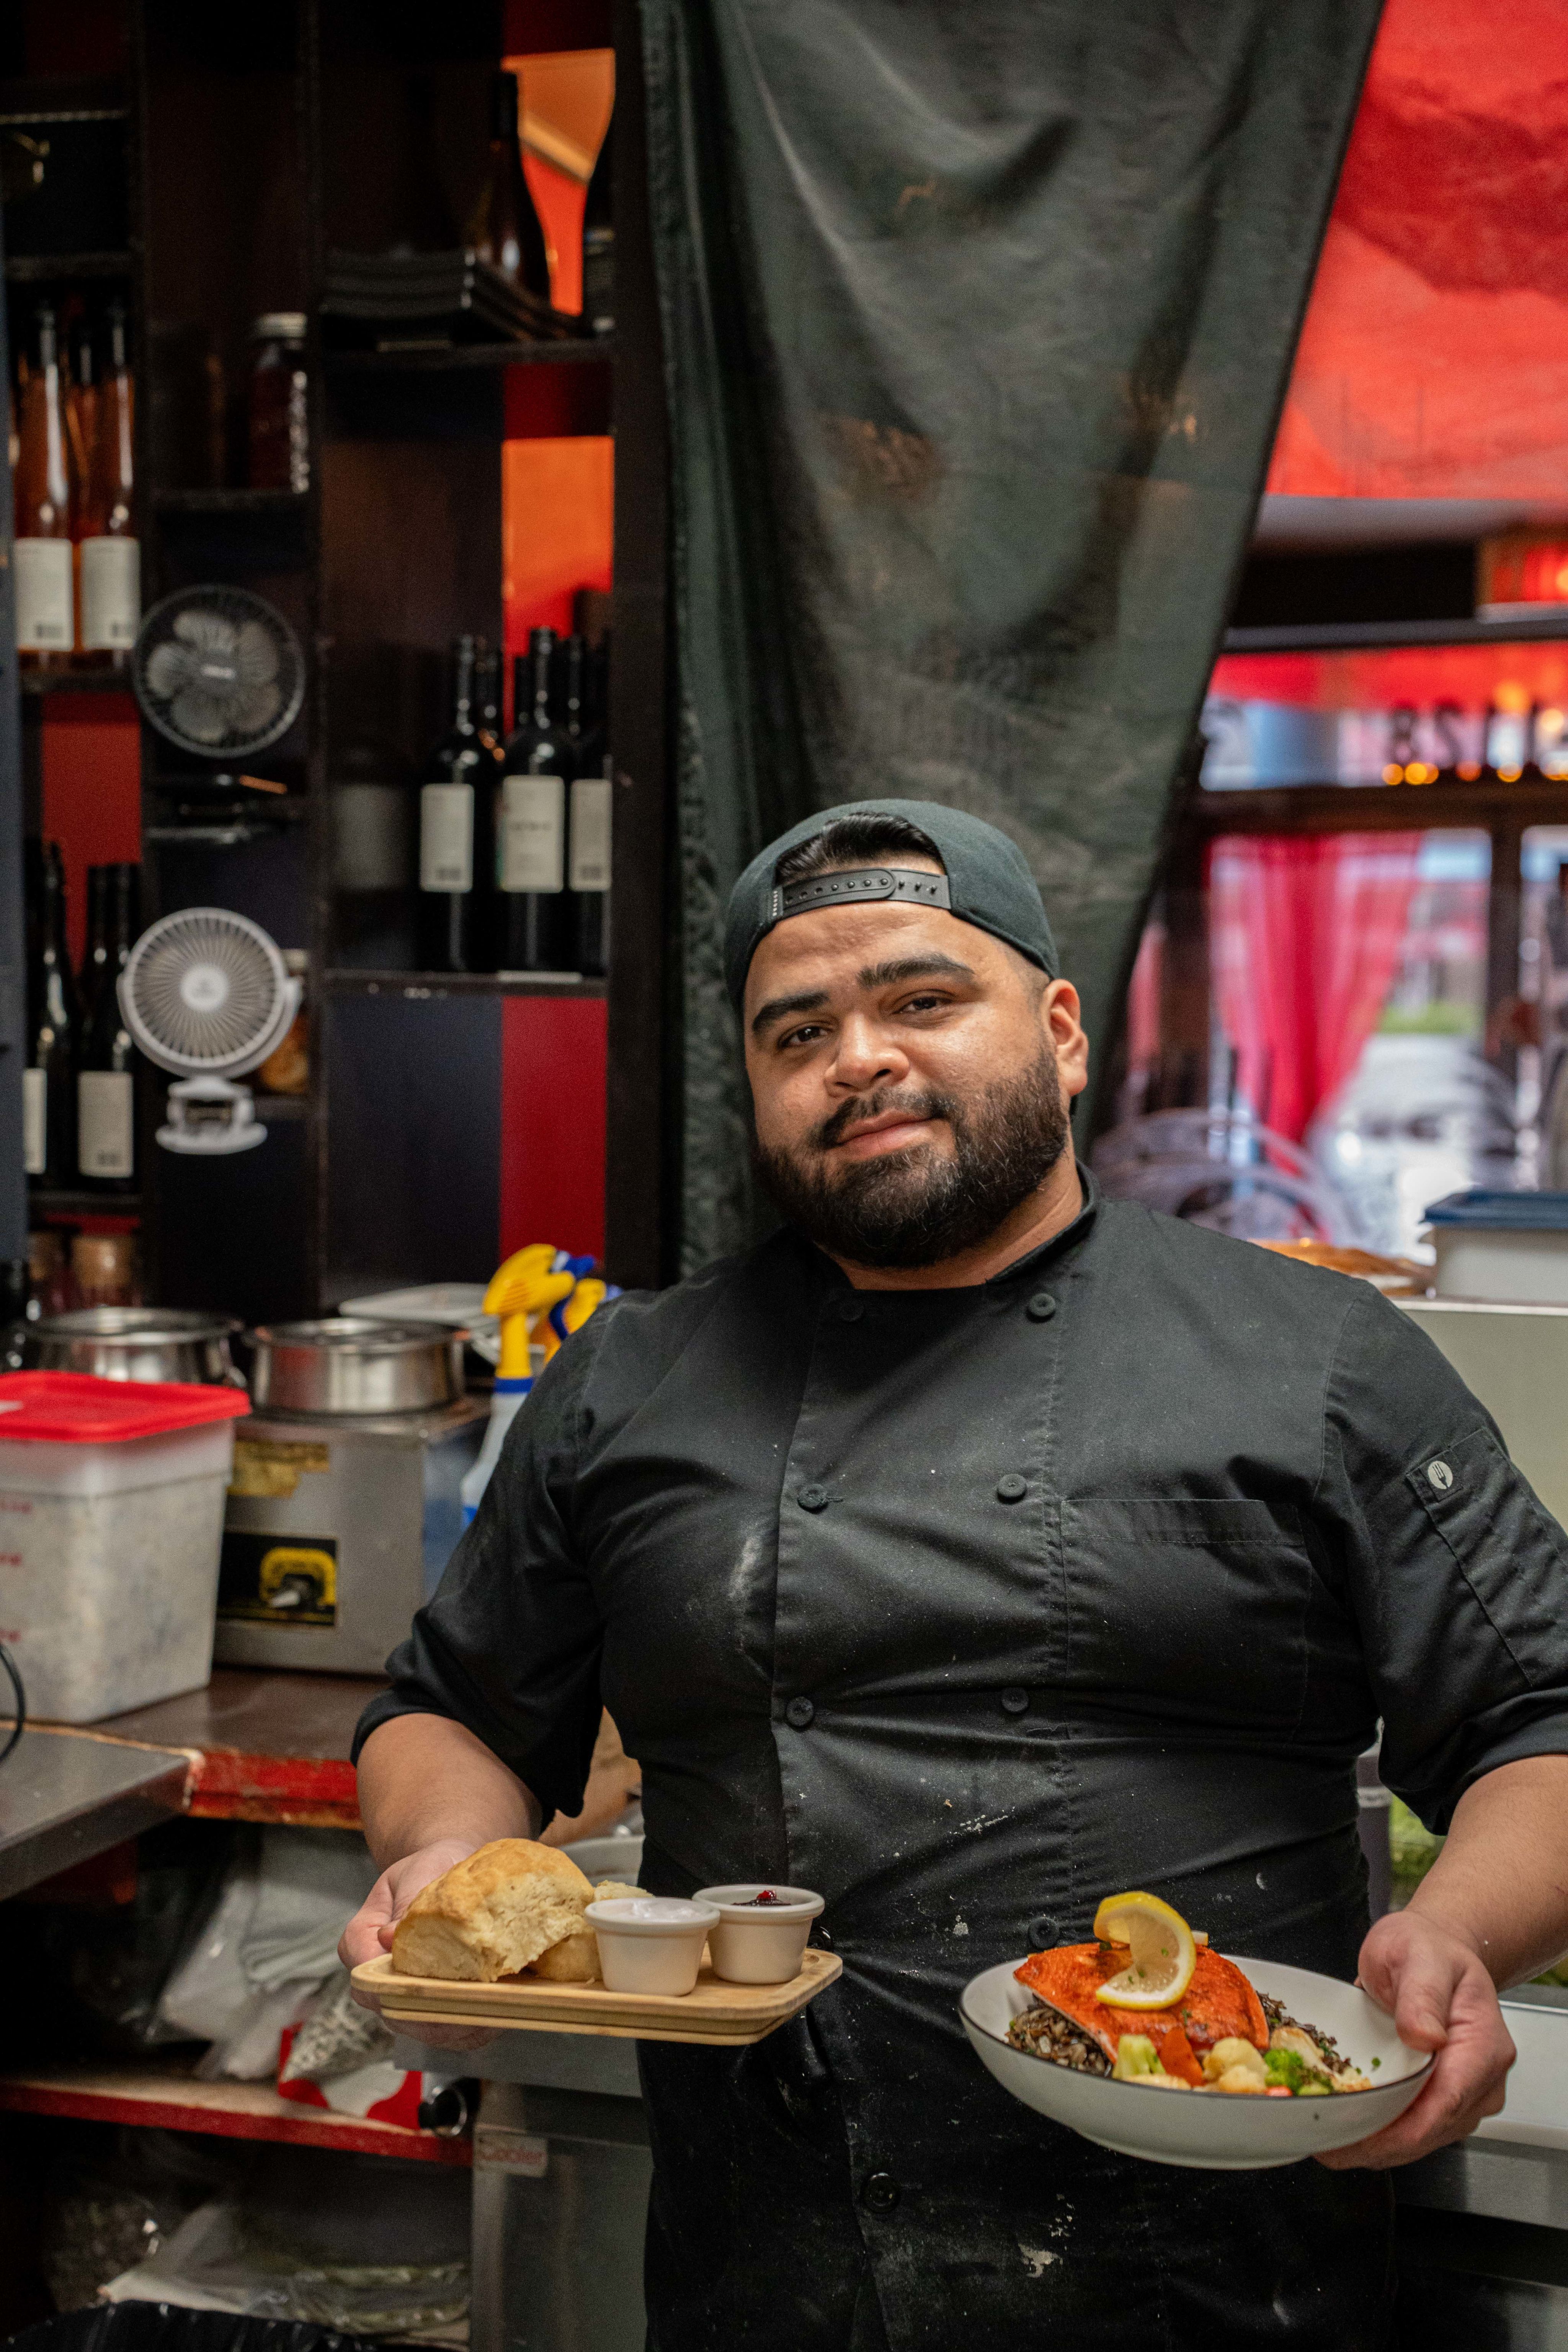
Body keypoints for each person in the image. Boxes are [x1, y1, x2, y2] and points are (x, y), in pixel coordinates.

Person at [343, 798, 1568, 2351]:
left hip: (1205, 2273)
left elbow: (1544, 1714)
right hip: (770, 2266)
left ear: (1059, 1033)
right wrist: (439, 1866)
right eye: (798, 1032)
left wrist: (1456, 1936)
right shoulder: (630, 1383)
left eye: (922, 1000)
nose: (857, 1055)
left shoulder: (1308, 1362)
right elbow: (446, 1707)